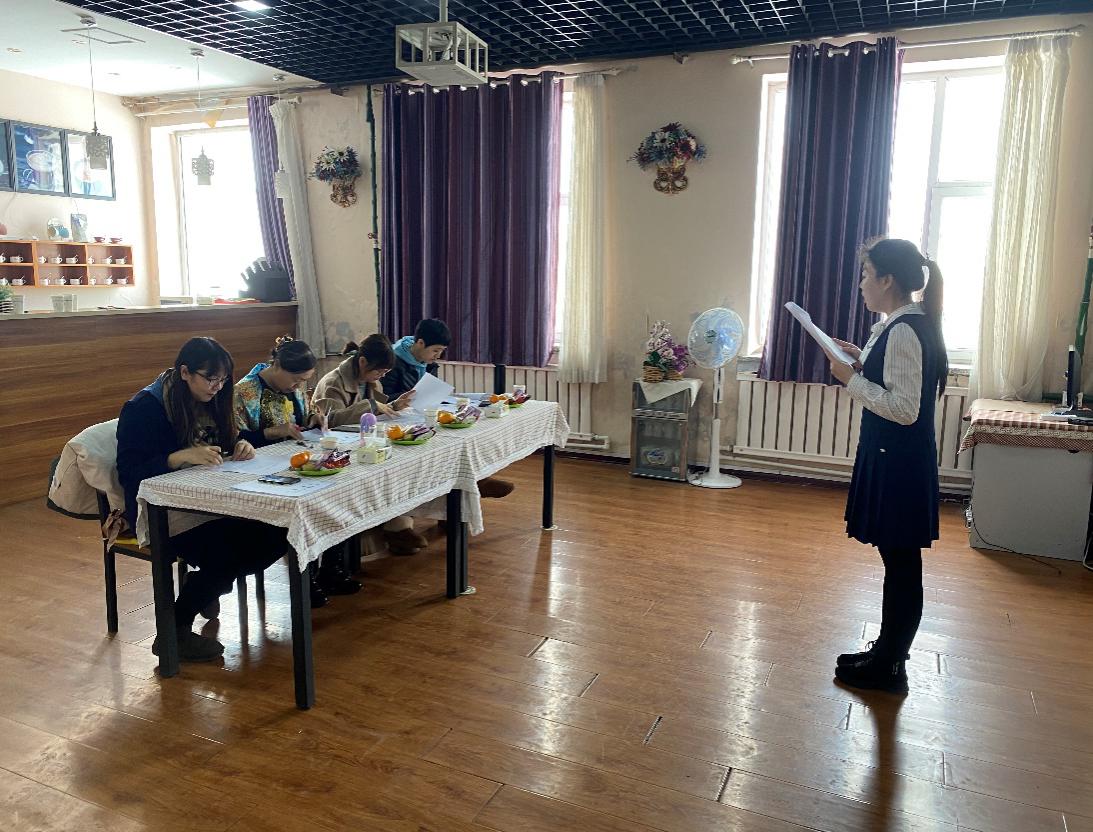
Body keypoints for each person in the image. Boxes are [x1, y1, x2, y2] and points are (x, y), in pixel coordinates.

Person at [822, 238, 948, 693]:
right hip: (895, 459)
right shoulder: (901, 325)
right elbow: (897, 381)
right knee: (898, 563)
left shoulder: (904, 331)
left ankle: (891, 666)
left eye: (865, 274)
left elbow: (904, 408)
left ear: (887, 280)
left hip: (898, 464)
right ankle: (886, 653)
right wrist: (861, 359)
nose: (861, 284)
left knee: (901, 565)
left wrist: (851, 380)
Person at [116, 337, 286, 662]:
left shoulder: (213, 398)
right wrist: (178, 457)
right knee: (229, 553)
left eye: (222, 380)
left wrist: (242, 445)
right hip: (164, 511)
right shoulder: (145, 408)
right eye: (210, 379)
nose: (217, 387)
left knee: (277, 533)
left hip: (214, 502)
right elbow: (130, 472)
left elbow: (228, 440)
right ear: (184, 372)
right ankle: (174, 629)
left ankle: (205, 585)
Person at [233, 335, 361, 605]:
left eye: (304, 381)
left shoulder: (293, 388)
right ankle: (306, 578)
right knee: (310, 505)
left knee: (338, 491)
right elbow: (233, 440)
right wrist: (272, 432)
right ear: (277, 366)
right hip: (260, 471)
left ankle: (332, 569)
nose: (299, 386)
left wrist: (313, 418)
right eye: (296, 379)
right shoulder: (244, 392)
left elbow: (303, 417)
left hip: (297, 461)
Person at [312, 335, 429, 555]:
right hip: (333, 447)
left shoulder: (371, 379)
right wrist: (372, 405)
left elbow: (374, 412)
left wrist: (394, 405)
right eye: (379, 372)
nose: (381, 376)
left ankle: (398, 525)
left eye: (385, 373)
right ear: (363, 362)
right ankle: (393, 528)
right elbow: (332, 419)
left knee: (398, 466)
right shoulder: (333, 382)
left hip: (360, 443)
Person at [384, 318, 515, 499]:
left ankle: (474, 480)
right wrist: (406, 399)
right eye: (435, 350)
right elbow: (384, 398)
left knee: (459, 436)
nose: (437, 356)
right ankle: (471, 484)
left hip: (421, 414)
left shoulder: (427, 361)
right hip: (397, 419)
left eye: (441, 351)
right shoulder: (392, 361)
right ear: (420, 343)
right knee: (440, 444)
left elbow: (429, 390)